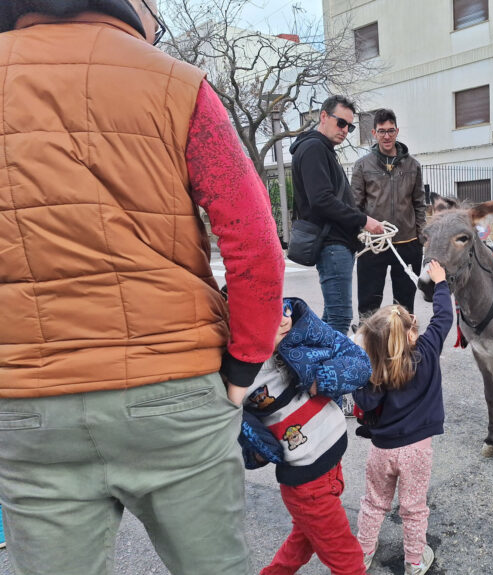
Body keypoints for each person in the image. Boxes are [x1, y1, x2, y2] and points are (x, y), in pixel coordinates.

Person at [0, 2, 285, 574]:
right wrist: (243, 366)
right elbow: (254, 240)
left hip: (26, 401)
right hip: (174, 384)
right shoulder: (175, 83)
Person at [239, 298, 372, 575]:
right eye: (271, 316)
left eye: (284, 307)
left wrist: (325, 377)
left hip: (328, 467)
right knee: (349, 562)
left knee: (303, 542)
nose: (285, 319)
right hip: (308, 484)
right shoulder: (243, 375)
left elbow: (357, 361)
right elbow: (228, 422)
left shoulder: (298, 343)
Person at [353, 261, 451, 575]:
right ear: (411, 334)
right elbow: (444, 317)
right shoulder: (429, 349)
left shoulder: (376, 369)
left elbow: (365, 402)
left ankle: (361, 555)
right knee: (413, 508)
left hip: (381, 449)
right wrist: (441, 283)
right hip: (417, 451)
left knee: (373, 502)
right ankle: (413, 562)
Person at [289, 95, 384, 336]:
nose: (345, 130)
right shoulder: (313, 148)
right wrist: (363, 220)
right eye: (341, 123)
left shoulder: (322, 149)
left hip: (336, 242)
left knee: (332, 316)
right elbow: (321, 201)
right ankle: (328, 372)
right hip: (332, 243)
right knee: (340, 317)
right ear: (323, 116)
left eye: (350, 126)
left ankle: (313, 367)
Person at [352, 108, 426, 316]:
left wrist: (421, 237)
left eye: (391, 131)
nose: (387, 136)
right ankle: (367, 344)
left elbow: (419, 202)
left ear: (397, 131)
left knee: (404, 307)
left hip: (407, 244)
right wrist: (359, 236)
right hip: (374, 244)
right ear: (374, 133)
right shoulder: (362, 166)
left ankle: (404, 345)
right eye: (382, 131)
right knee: (369, 304)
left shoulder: (413, 166)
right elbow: (355, 207)